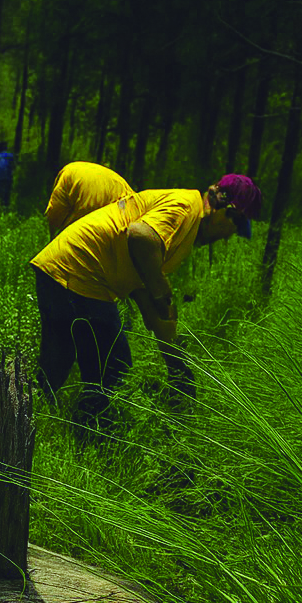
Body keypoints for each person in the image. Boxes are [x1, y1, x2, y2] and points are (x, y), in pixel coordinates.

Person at [30, 174, 263, 433]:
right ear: (226, 213)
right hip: (82, 271)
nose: (229, 238)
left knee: (57, 362)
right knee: (114, 369)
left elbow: (142, 282)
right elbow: (139, 236)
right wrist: (162, 291)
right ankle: (94, 438)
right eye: (236, 229)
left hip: (60, 267)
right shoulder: (185, 208)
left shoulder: (185, 217)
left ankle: (34, 422)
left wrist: (173, 358)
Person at [43, 161, 135, 238]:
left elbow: (55, 211)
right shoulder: (118, 181)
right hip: (124, 218)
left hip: (88, 218)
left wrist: (52, 237)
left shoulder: (67, 174)